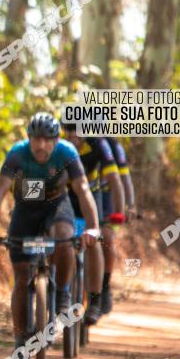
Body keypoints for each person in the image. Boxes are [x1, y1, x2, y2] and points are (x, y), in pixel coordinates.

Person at [0, 113, 100, 355]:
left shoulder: (67, 153)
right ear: (29, 139)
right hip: (26, 207)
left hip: (57, 205)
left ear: (56, 140)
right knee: (22, 277)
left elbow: (83, 190)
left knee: (64, 237)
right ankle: (20, 337)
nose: (41, 145)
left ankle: (64, 293)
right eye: (36, 140)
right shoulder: (16, 154)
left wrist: (93, 226)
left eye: (47, 140)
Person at [61, 124, 125, 325]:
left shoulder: (99, 145)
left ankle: (95, 300)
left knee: (94, 240)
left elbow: (115, 178)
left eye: (76, 131)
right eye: (68, 131)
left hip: (90, 196)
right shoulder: (57, 145)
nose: (72, 136)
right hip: (64, 196)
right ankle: (53, 289)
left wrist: (119, 212)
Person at [99, 137, 133, 315]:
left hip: (106, 195)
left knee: (106, 237)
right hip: (78, 193)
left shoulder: (112, 146)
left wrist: (129, 206)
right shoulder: (66, 145)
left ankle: (104, 287)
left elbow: (123, 179)